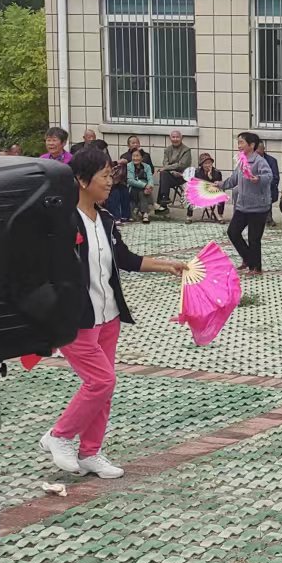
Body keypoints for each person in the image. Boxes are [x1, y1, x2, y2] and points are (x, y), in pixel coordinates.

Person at [39, 147, 188, 480]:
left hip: (108, 316)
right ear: (80, 180)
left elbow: (126, 259)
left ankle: (90, 452)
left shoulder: (105, 218)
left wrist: (167, 265)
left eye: (111, 175)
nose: (110, 181)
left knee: (103, 387)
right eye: (104, 175)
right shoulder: (61, 222)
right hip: (75, 318)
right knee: (101, 381)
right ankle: (59, 435)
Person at [223, 132, 273, 274]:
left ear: (251, 145)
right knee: (233, 232)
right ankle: (248, 258)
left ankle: (256, 267)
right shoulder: (241, 160)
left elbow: (269, 177)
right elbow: (233, 180)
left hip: (258, 207)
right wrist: (218, 185)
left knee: (254, 238)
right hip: (242, 206)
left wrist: (258, 178)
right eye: (238, 143)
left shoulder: (259, 161)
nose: (239, 146)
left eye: (242, 143)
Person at [157, 129, 193, 211]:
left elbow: (182, 165)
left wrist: (168, 169)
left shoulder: (186, 150)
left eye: (177, 137)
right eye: (173, 137)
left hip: (182, 176)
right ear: (170, 138)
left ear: (181, 138)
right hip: (170, 176)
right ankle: (164, 198)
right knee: (163, 174)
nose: (175, 139)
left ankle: (163, 201)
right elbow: (165, 163)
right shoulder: (167, 150)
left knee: (163, 174)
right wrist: (171, 171)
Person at [193, 153, 226, 220]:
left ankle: (220, 215)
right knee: (189, 193)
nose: (208, 165)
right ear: (202, 164)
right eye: (205, 163)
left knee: (222, 195)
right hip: (200, 192)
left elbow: (218, 185)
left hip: (212, 192)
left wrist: (210, 176)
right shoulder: (197, 172)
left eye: (209, 163)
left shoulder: (217, 172)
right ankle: (189, 216)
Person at [259, 142, 282, 228]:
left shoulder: (271, 161)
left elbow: (275, 178)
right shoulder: (250, 160)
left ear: (263, 149)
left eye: (259, 149)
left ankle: (268, 219)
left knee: (266, 193)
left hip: (268, 187)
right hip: (253, 187)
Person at [126, 149, 153, 223]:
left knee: (143, 192)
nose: (135, 158)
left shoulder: (147, 167)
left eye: (137, 156)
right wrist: (145, 185)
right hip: (133, 188)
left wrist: (150, 186)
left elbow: (150, 178)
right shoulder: (129, 166)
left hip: (145, 189)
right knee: (141, 191)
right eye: (133, 156)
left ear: (142, 158)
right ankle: (145, 213)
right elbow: (130, 180)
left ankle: (144, 213)